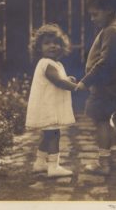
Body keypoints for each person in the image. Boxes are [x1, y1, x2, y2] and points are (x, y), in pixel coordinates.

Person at [75, 0, 116, 175]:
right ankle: (115, 159)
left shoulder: (112, 31)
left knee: (101, 122)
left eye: (95, 14)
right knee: (107, 120)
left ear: (109, 9)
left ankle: (103, 163)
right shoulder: (112, 29)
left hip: (105, 87)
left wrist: (85, 82)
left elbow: (104, 63)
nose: (92, 18)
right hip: (110, 86)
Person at [26, 24, 77, 177]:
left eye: (56, 42)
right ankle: (54, 167)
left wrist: (67, 79)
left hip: (48, 106)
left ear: (62, 46)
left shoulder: (56, 64)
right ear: (39, 47)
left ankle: (40, 163)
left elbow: (59, 79)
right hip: (48, 107)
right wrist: (76, 86)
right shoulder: (46, 63)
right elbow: (58, 82)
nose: (52, 46)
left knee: (48, 135)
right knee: (54, 135)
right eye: (47, 43)